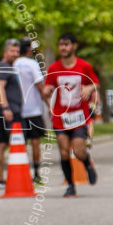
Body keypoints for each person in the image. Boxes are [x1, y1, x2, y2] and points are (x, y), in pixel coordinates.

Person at [43, 32, 99, 197]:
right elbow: (48, 87)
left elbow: (95, 83)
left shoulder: (84, 66)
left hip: (79, 116)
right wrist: (47, 91)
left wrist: (89, 88)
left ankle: (87, 163)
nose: (63, 47)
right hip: (60, 117)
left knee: (78, 150)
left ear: (74, 46)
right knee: (64, 152)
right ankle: (70, 185)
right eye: (61, 44)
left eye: (66, 44)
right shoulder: (54, 68)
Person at [0, 39, 23, 189]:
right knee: (6, 144)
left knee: (4, 143)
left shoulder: (10, 67)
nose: (15, 54)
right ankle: (1, 178)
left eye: (17, 51)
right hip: (7, 112)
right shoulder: (4, 66)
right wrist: (6, 108)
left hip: (12, 110)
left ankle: (3, 179)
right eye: (12, 51)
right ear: (5, 52)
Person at [14, 38, 47, 184]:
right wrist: (49, 105)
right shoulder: (32, 64)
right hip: (33, 109)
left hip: (18, 110)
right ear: (28, 50)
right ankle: (37, 174)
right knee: (35, 142)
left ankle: (22, 173)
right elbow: (40, 87)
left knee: (20, 143)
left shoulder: (14, 64)